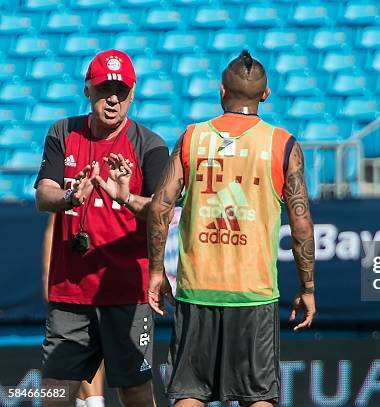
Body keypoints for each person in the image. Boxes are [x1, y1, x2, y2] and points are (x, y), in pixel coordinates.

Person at [147, 50, 316, 407]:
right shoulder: (282, 145)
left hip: (197, 291)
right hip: (254, 294)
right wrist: (307, 287)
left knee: (189, 394)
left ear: (220, 90)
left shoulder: (193, 138)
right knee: (258, 398)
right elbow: (300, 222)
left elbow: (160, 207)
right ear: (265, 95)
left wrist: (156, 272)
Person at [35, 49, 169, 406]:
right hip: (71, 292)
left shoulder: (150, 144)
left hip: (127, 291)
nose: (113, 98)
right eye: (104, 88)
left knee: (135, 391)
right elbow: (43, 193)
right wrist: (69, 197)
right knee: (54, 392)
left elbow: (162, 210)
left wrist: (125, 197)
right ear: (88, 89)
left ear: (133, 94)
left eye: (121, 91)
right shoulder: (63, 132)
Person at [42, 213, 106, 407]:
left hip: (109, 280)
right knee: (77, 351)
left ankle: (93, 401)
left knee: (98, 344)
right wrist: (47, 275)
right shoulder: (72, 186)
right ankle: (93, 402)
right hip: (72, 282)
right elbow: (53, 226)